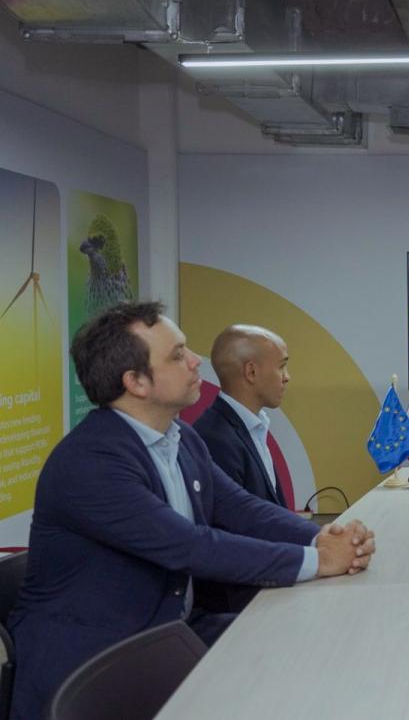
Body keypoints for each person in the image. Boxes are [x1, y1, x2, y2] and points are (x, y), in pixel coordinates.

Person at [8, 301, 376, 720]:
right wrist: (318, 561)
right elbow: (190, 546)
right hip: (98, 662)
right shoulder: (91, 462)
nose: (196, 360)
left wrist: (321, 536)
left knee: (316, 649)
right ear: (137, 382)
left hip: (163, 633)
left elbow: (239, 507)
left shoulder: (178, 436)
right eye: (178, 354)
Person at [193, 325, 292, 507]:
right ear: (251, 372)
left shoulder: (252, 427)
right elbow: (236, 520)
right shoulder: (215, 439)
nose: (287, 377)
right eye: (282, 367)